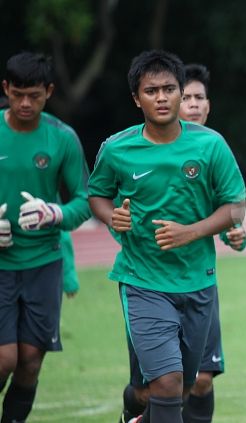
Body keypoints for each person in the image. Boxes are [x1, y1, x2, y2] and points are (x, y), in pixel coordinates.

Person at [88, 50, 245, 423]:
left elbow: (235, 206)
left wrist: (191, 232)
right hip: (142, 281)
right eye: (151, 90)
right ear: (136, 98)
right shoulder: (117, 148)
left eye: (169, 89)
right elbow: (96, 195)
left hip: (198, 281)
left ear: (180, 92)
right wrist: (114, 217)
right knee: (167, 383)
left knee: (189, 384)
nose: (161, 97)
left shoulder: (210, 145)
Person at [0, 52, 90, 422]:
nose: (25, 103)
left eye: (34, 95)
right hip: (1, 266)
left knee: (31, 360)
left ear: (49, 92)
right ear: (5, 88)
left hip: (44, 264)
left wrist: (56, 213)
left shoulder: (62, 138)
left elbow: (86, 201)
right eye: (17, 93)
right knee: (4, 357)